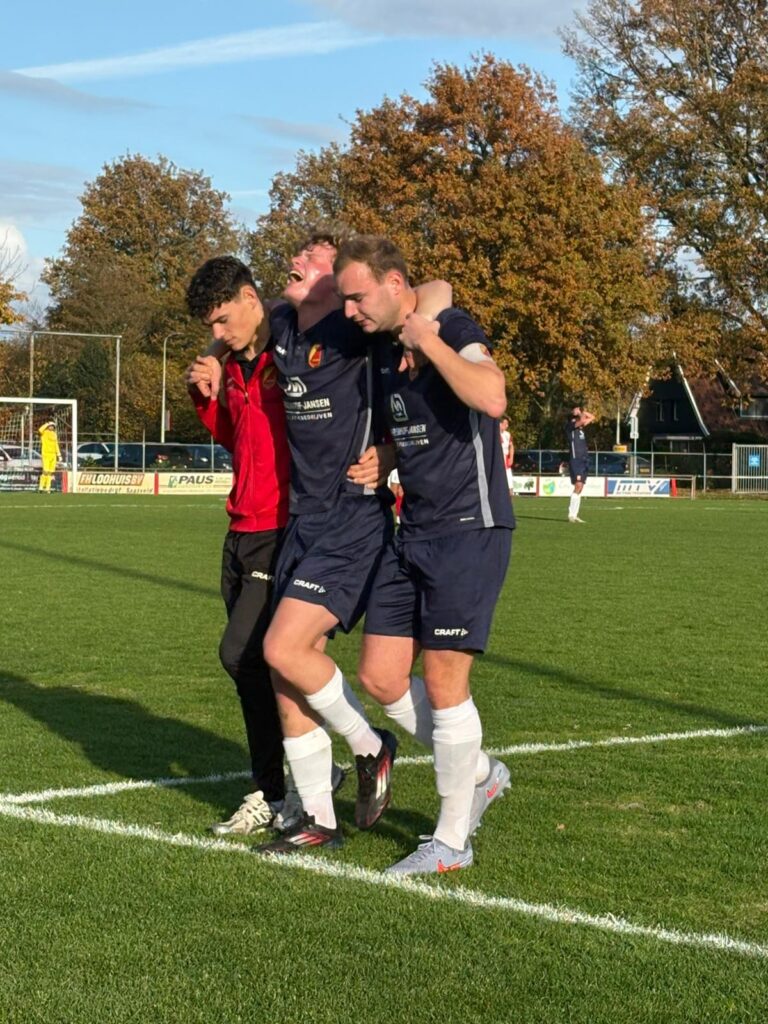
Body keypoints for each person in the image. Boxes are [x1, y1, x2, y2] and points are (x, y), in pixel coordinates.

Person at [257, 227, 452, 855]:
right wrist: (210, 351)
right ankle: (319, 818)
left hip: (351, 518)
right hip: (301, 522)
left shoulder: (356, 331)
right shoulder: (281, 325)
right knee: (285, 675)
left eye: (313, 259)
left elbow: (434, 288)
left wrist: (390, 451)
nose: (297, 260)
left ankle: (371, 746)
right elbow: (236, 314)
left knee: (282, 647)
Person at [334, 235, 514, 875]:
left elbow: (492, 396)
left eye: (358, 297)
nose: (350, 310)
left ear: (392, 284)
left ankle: (451, 843)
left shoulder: (451, 327)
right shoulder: (383, 347)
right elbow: (412, 426)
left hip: (469, 530)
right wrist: (388, 453)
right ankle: (481, 773)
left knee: (443, 681)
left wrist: (429, 339)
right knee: (381, 678)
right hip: (411, 531)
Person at [184, 256, 348, 835]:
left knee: (244, 654)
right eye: (210, 325)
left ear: (251, 299)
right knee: (257, 667)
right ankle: (308, 776)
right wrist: (207, 393)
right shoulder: (234, 365)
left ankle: (278, 787)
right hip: (239, 529)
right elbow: (236, 437)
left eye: (223, 320)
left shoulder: (292, 350)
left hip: (283, 529)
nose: (217, 333)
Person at [565, 405, 595, 523]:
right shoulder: (570, 426)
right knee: (578, 485)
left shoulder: (580, 428)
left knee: (580, 487)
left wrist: (582, 411)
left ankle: (575, 514)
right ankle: (571, 515)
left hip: (584, 459)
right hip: (576, 459)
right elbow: (582, 420)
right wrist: (579, 413)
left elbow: (592, 417)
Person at [38, 420, 61, 493]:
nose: (51, 427)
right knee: (45, 471)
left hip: (53, 455)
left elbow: (56, 444)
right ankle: (41, 487)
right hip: (46, 454)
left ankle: (48, 488)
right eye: (50, 426)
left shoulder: (54, 434)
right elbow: (40, 430)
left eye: (52, 426)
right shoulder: (44, 432)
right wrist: (47, 424)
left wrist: (59, 454)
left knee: (50, 473)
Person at [499, 416, 514, 494]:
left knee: (508, 476)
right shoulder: (495, 434)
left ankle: (510, 490)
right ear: (500, 424)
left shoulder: (507, 434)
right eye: (505, 424)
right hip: (499, 458)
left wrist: (511, 458)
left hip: (505, 458)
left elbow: (511, 446)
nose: (507, 426)